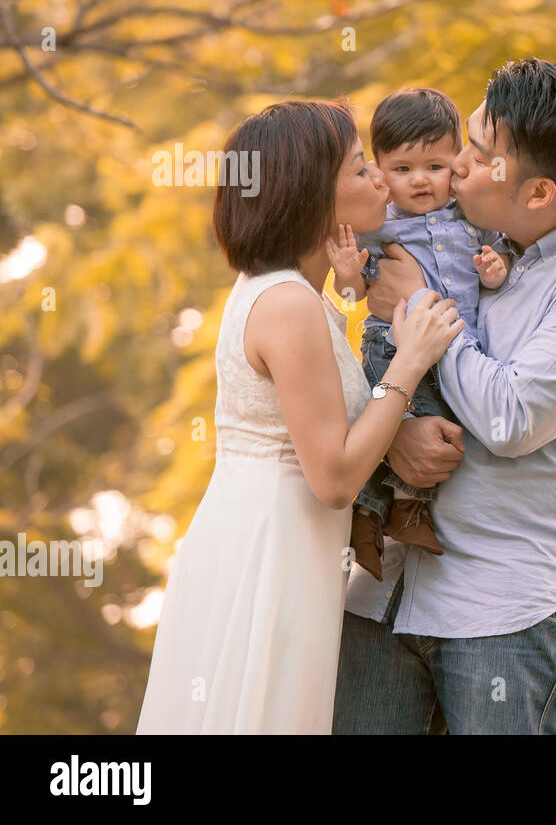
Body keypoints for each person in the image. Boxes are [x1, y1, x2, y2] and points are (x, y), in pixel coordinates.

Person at [333, 58, 556, 735]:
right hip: (379, 593)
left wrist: (415, 303)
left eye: (476, 155)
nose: (454, 168)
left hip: (505, 615)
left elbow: (508, 416)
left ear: (537, 192)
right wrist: (391, 430)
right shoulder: (451, 238)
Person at [136, 100, 463, 734]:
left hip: (289, 547)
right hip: (269, 556)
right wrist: (413, 360)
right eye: (361, 168)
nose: (380, 181)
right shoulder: (286, 301)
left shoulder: (295, 293)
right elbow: (335, 475)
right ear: (313, 193)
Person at [329, 87, 510, 581]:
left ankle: (386, 513)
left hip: (452, 345)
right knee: (399, 416)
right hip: (391, 343)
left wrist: (494, 269)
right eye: (403, 170)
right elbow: (353, 291)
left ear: (457, 161)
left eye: (435, 166)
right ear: (381, 171)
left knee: (435, 423)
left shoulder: (471, 218)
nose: (421, 181)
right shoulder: (379, 225)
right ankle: (388, 515)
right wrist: (347, 273)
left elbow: (496, 265)